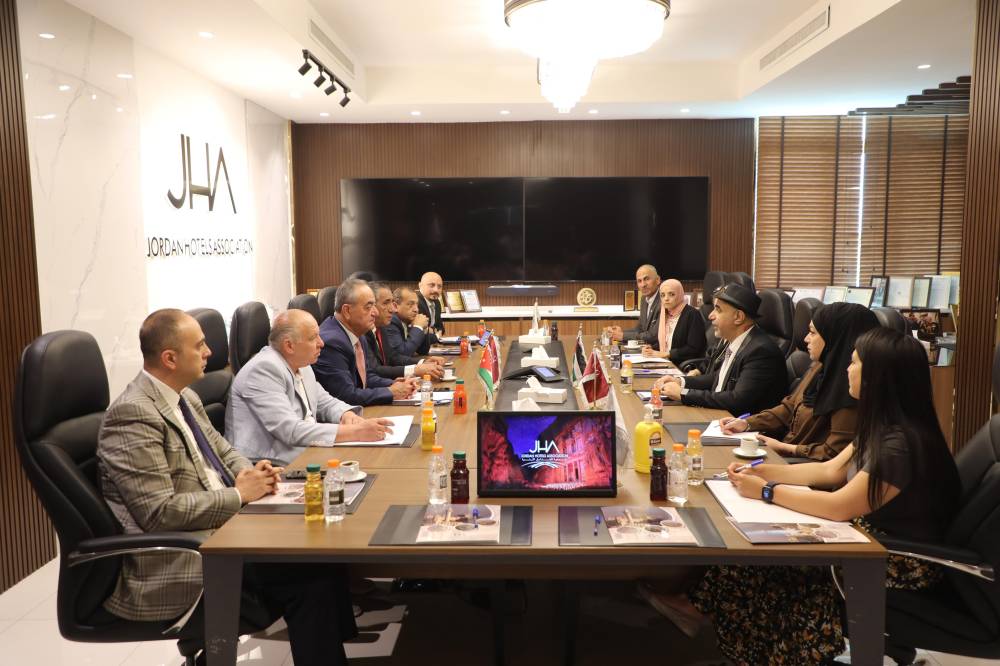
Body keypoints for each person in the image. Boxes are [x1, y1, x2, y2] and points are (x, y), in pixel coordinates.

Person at [647, 328, 961, 663]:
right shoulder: (882, 425)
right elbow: (827, 472)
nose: (847, 369)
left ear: (878, 377)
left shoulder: (900, 444)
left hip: (893, 559)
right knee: (750, 556)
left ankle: (772, 654)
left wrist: (766, 491)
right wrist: (762, 472)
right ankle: (737, 642)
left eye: (855, 363)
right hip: (870, 538)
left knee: (770, 566)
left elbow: (839, 507)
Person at [98, 309, 358, 665]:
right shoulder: (133, 414)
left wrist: (253, 472)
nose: (209, 352)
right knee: (311, 577)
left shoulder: (184, 397)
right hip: (181, 562)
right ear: (170, 358)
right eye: (200, 346)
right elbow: (160, 513)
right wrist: (239, 495)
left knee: (319, 558)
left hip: (220, 532)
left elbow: (225, 451)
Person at [227, 308, 393, 466]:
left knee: (376, 459)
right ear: (289, 345)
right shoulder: (263, 369)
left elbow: (324, 401)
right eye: (313, 338)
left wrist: (346, 415)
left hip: (304, 450)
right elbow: (290, 430)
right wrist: (355, 432)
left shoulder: (301, 362)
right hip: (270, 462)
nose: (321, 343)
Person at [718, 302, 879, 461]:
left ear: (835, 337)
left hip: (803, 464)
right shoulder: (820, 367)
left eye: (813, 333)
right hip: (785, 455)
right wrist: (746, 423)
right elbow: (789, 407)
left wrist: (786, 448)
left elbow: (833, 453)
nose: (806, 338)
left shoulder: (851, 387)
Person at [653, 283, 787, 415]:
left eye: (718, 310)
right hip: (720, 415)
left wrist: (684, 393)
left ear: (738, 317)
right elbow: (719, 378)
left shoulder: (761, 351)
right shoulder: (735, 340)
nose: (710, 315)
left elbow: (737, 399)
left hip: (737, 423)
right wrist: (680, 381)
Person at [313, 279, 419, 406]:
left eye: (374, 306)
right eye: (368, 307)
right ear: (347, 311)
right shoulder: (332, 342)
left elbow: (366, 377)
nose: (375, 312)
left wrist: (394, 384)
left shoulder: (358, 334)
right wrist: (390, 392)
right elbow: (346, 395)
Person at [366, 282, 444, 381]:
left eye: (417, 305)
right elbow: (403, 352)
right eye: (386, 303)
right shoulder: (383, 325)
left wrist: (423, 362)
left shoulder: (381, 327)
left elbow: (393, 357)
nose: (392, 309)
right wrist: (418, 327)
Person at [639, 278, 706, 364]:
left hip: (682, 366)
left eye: (671, 294)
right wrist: (651, 349)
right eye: (662, 295)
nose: (666, 299)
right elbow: (668, 343)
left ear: (679, 294)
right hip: (666, 363)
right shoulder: (665, 314)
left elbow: (693, 348)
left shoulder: (692, 314)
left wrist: (667, 354)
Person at [385, 286, 439, 364]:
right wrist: (418, 327)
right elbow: (403, 354)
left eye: (417, 305)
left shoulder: (407, 321)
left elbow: (423, 351)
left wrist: (423, 329)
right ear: (395, 306)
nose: (416, 310)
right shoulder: (391, 321)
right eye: (410, 304)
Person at [610, 264, 661, 346]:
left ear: (658, 280)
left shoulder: (663, 301)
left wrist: (623, 336)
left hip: (657, 350)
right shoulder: (644, 299)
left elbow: (653, 336)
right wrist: (621, 332)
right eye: (639, 281)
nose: (643, 285)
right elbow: (640, 329)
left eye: (647, 279)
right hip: (646, 347)